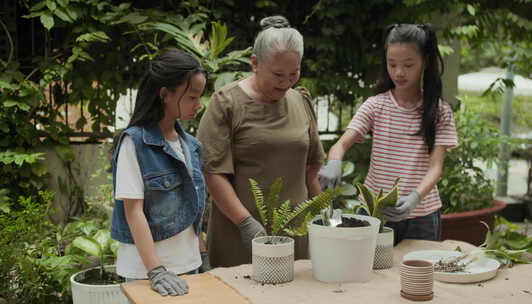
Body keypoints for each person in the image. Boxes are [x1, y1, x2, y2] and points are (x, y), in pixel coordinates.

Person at [197, 15, 325, 267]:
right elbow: (213, 173)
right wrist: (246, 224)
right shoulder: (227, 103)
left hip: (295, 236)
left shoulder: (300, 101)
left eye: (294, 72)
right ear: (255, 63)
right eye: (278, 74)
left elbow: (312, 171)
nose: (286, 82)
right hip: (239, 235)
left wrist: (324, 218)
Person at [318, 24, 458, 245]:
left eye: (408, 65)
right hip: (375, 212)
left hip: (422, 214)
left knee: (417, 276)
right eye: (392, 64)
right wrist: (334, 162)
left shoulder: (439, 111)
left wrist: (414, 198)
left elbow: (436, 167)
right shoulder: (376, 106)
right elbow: (341, 145)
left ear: (425, 62)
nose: (399, 72)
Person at [110, 49, 207, 296]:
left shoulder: (191, 145)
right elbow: (133, 212)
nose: (198, 104)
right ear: (164, 94)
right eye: (192, 97)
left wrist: (202, 254)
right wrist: (156, 270)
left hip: (189, 266)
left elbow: (192, 207)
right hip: (147, 274)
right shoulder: (135, 143)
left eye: (199, 97)